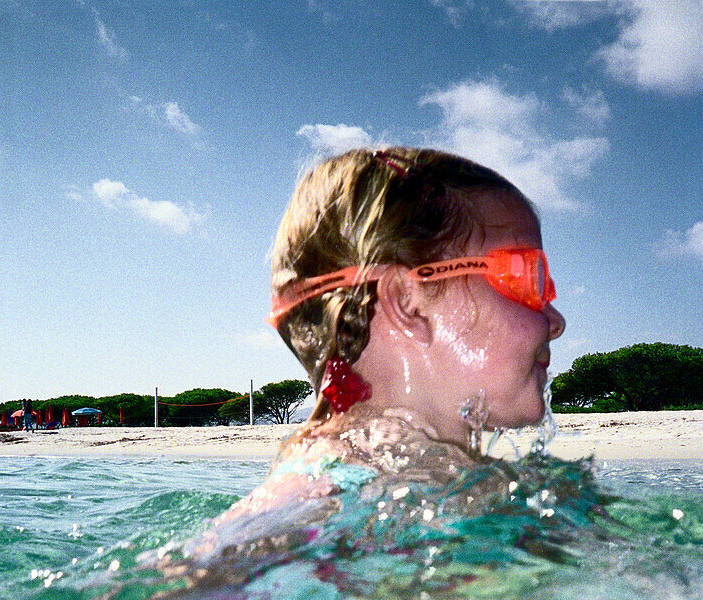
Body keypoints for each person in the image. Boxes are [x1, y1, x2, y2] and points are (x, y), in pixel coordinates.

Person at [190, 146, 566, 559]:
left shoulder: (465, 481)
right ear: (407, 302)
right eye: (530, 278)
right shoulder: (308, 508)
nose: (555, 320)